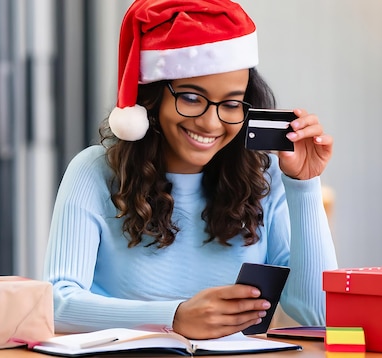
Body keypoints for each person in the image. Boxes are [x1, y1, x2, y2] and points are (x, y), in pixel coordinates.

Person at [44, 0, 338, 340]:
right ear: (154, 97)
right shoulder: (95, 171)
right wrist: (174, 317)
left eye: (230, 104)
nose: (211, 123)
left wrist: (304, 184)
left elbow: (320, 314)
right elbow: (56, 305)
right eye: (192, 98)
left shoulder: (265, 175)